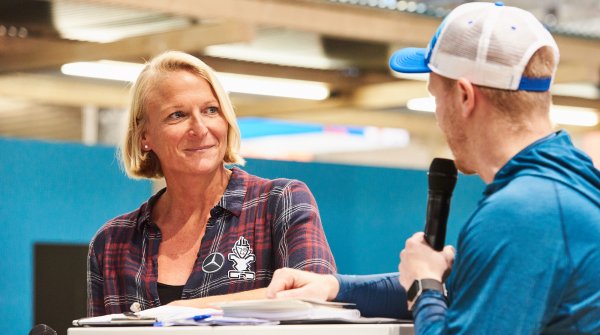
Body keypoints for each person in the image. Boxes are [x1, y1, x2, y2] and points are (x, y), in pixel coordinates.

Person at [267, 2, 600, 334]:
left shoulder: (523, 213)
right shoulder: (567, 183)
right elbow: (465, 290)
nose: (438, 115)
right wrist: (336, 288)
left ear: (465, 97)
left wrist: (425, 286)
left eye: (436, 97)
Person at [87, 51, 336, 316]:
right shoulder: (112, 243)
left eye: (211, 110)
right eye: (177, 115)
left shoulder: (280, 203)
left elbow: (314, 297)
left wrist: (183, 310)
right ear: (144, 136)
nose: (200, 127)